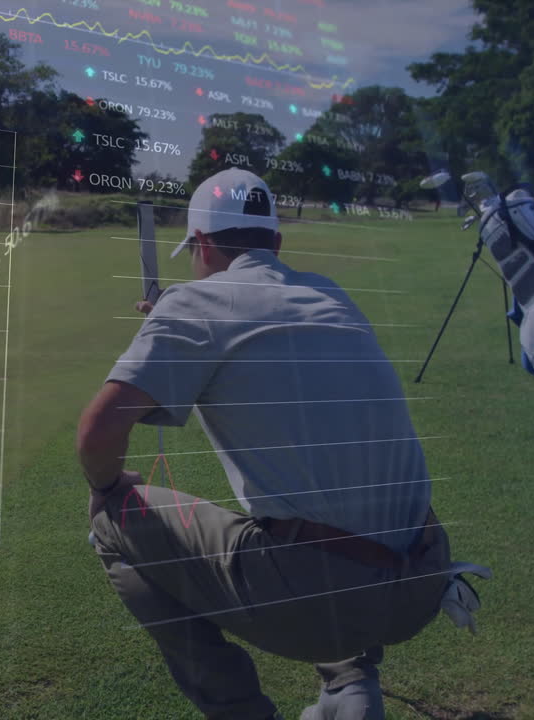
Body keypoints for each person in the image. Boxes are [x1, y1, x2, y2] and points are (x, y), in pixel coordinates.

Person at [79, 168, 485, 719]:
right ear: (275, 242)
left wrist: (107, 485)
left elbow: (98, 434)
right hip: (422, 579)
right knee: (324, 497)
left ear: (200, 244)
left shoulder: (192, 307)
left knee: (111, 517)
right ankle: (350, 684)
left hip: (331, 596)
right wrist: (170, 340)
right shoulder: (328, 292)